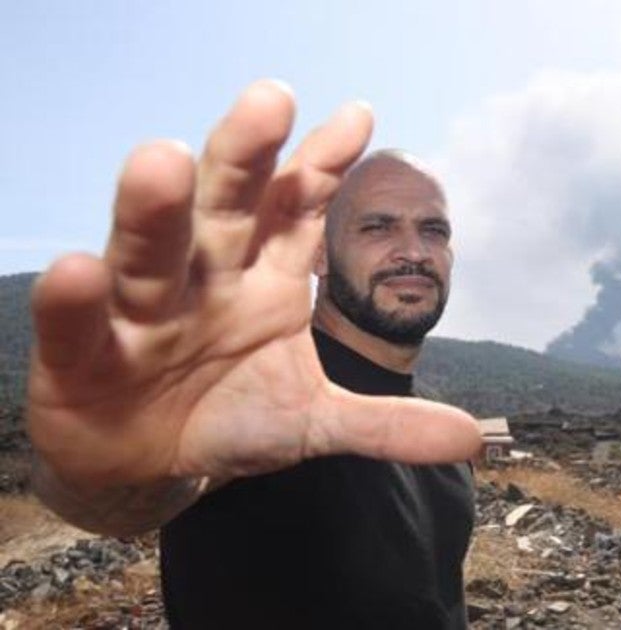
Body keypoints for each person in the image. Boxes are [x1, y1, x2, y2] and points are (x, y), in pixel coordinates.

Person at [25, 81, 483, 628]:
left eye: (433, 230)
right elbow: (137, 496)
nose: (413, 250)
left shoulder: (439, 430)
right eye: (377, 226)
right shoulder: (259, 397)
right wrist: (111, 469)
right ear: (320, 255)